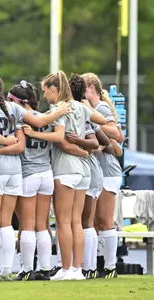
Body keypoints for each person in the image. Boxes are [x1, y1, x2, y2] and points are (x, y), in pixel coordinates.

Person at [0, 73, 70, 281]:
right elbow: (40, 121)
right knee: (36, 224)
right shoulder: (17, 111)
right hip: (32, 172)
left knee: (4, 223)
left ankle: (10, 269)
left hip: (13, 172)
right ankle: (40, 267)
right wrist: (59, 111)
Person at [38, 71, 105, 281]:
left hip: (65, 168)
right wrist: (84, 146)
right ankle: (77, 269)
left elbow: (61, 141)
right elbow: (102, 119)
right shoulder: (81, 106)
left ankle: (66, 268)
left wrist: (35, 134)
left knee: (63, 221)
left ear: (53, 89)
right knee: (77, 221)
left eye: (45, 91)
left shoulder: (58, 109)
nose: (44, 96)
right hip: (84, 171)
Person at [7, 80, 64, 281]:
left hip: (28, 173)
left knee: (27, 225)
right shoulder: (46, 117)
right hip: (46, 173)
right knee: (42, 225)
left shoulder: (19, 118)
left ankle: (27, 269)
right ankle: (46, 268)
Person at [81, 72, 124, 279]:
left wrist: (95, 123)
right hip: (98, 170)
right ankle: (99, 263)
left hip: (107, 170)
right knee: (95, 221)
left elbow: (115, 133)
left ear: (91, 88)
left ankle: (110, 266)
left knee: (105, 220)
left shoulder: (100, 108)